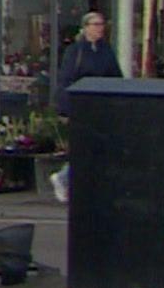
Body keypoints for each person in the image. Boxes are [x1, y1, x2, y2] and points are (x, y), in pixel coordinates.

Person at [51, 11, 123, 203]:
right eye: (96, 24)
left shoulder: (106, 51)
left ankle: (87, 185)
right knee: (84, 146)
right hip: (81, 106)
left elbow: (116, 77)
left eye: (102, 24)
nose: (100, 28)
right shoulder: (76, 51)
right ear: (86, 28)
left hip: (101, 107)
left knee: (98, 147)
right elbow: (66, 79)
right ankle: (65, 177)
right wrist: (64, 108)